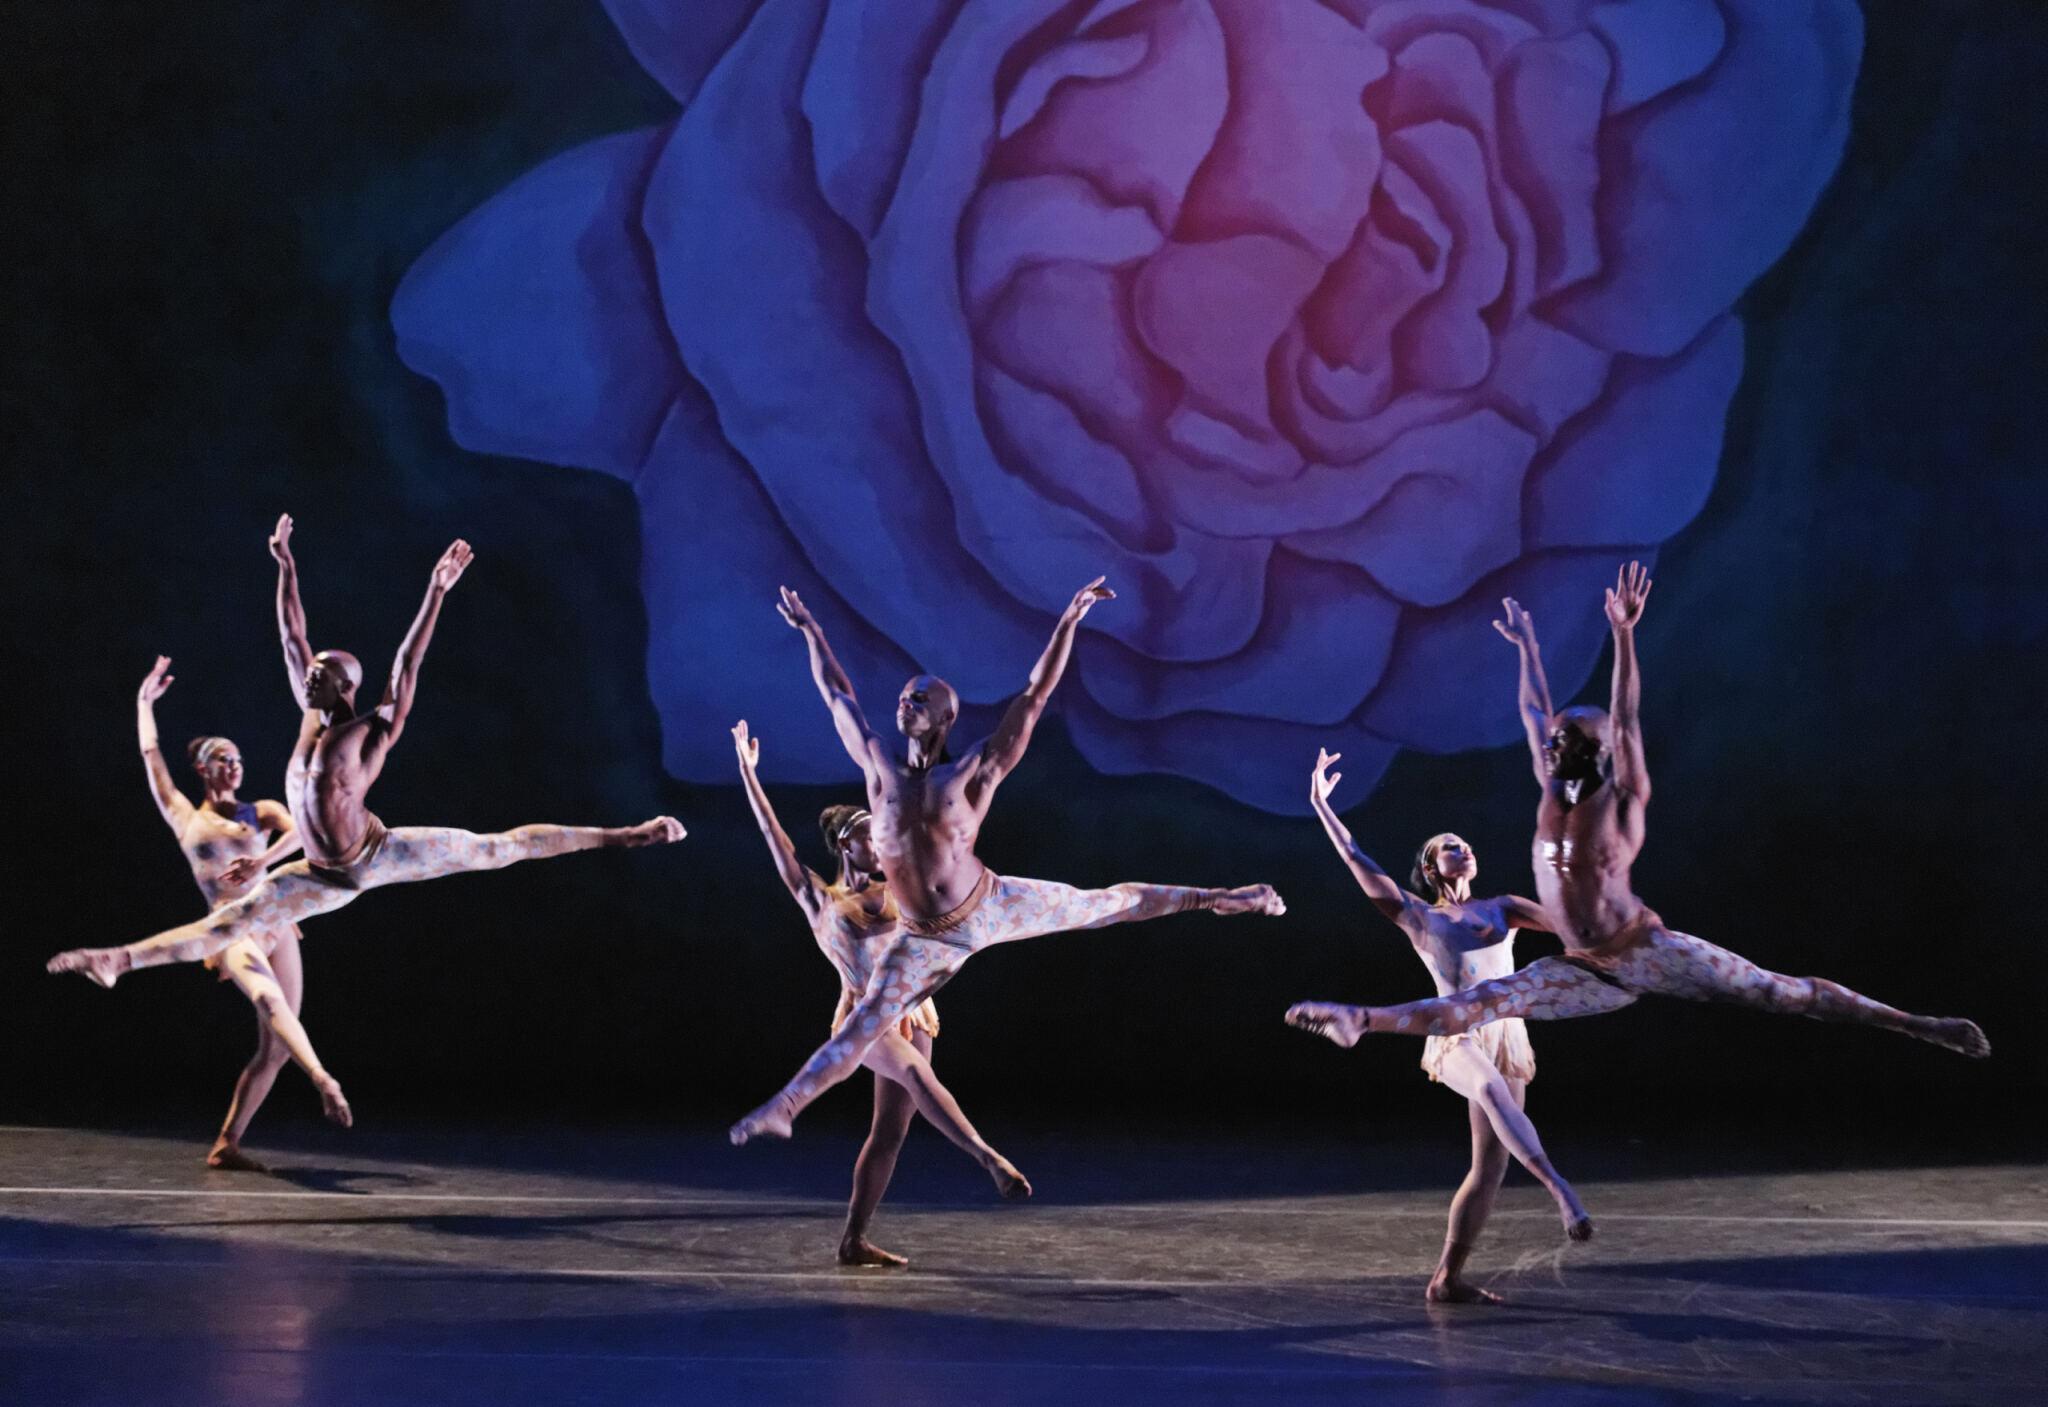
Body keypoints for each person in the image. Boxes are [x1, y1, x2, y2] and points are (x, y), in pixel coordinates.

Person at [49, 518, 686, 1120]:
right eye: (311, 673)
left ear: (344, 686)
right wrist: (286, 566)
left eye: (321, 675)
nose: (309, 677)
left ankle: (627, 834)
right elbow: (291, 634)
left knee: (499, 847)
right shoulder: (309, 713)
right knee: (226, 924)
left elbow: (407, 666)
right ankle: (116, 961)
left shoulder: (369, 732)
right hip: (320, 874)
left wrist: (436, 592)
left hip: (376, 856)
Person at [1287, 564, 1989, 1061]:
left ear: (1600, 754)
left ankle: (1915, 1023)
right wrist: (1530, 649)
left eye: (1571, 738)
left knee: (1783, 994)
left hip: (1646, 953)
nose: (1555, 740)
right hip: (1583, 966)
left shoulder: (1622, 797)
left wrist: (1623, 634)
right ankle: (1361, 1020)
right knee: (1483, 1003)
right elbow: (1534, 710)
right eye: (1558, 736)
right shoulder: (1549, 782)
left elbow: (1624, 714)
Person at [729, 579, 1285, 1161]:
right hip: (922, 938)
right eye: (902, 697)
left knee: (1104, 903)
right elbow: (837, 696)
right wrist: (812, 630)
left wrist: (1070, 618)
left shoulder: (972, 772)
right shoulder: (879, 771)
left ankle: (1220, 897)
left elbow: (1034, 695)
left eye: (920, 699)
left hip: (989, 905)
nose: (905, 703)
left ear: (946, 718)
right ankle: (786, 1107)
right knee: (864, 1020)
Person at [1298, 746, 1591, 1303]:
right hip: (1452, 1033)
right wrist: (1321, 805)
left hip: (1506, 1033)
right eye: (1450, 846)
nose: (1465, 848)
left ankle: (1447, 1279)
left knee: (1488, 1169)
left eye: (1466, 844)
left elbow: (1570, 924)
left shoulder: (1502, 907)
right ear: (1431, 867)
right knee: (1486, 1087)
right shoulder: (1421, 916)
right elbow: (1360, 861)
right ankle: (1561, 1191)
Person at [736, 720, 1020, 1261]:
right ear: (848, 843)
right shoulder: (820, 899)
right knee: (916, 1074)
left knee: (889, 1131)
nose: (885, 839)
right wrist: (749, 775)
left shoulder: (901, 888)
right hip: (862, 1018)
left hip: (916, 1014)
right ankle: (987, 1158)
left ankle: (854, 1240)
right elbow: (777, 840)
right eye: (873, 834)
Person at [132, 655, 343, 1165]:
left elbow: (303, 832)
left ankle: (227, 1144)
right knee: (272, 1008)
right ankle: (322, 1078)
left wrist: (262, 862)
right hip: (231, 932)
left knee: (275, 1046)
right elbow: (152, 758)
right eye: (224, 759)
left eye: (239, 758)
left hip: (277, 925)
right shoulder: (187, 818)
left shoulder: (262, 812)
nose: (235, 765)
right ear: (204, 768)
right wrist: (144, 704)